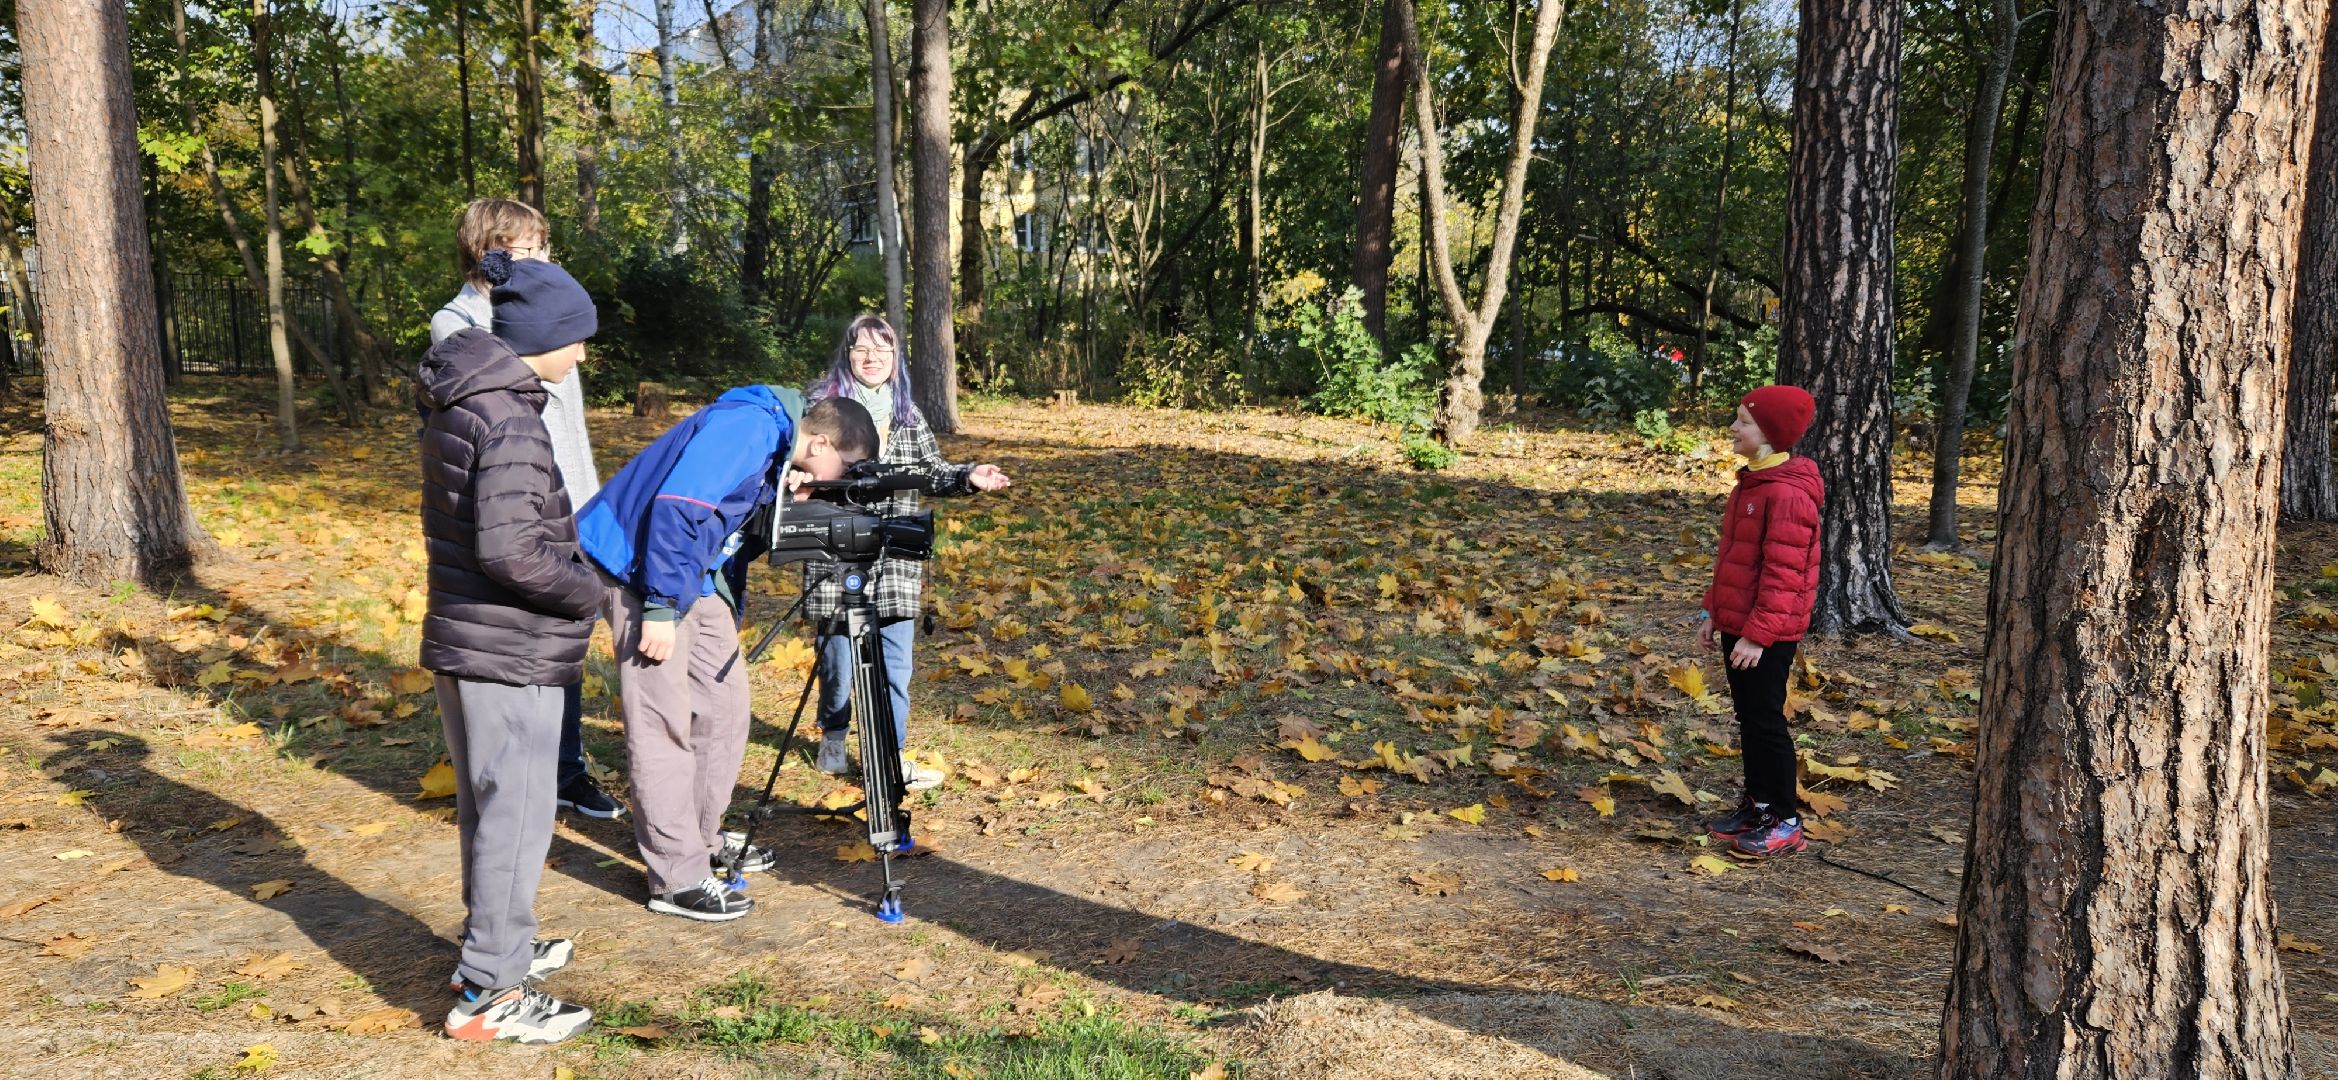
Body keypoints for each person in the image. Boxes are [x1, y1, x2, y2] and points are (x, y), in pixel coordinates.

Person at [577, 390, 878, 921]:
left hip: (691, 576)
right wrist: (662, 607)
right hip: (636, 570)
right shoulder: (749, 427)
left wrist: (785, 500)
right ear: (824, 441)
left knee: (724, 706)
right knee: (662, 720)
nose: (841, 479)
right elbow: (678, 508)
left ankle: (698, 838)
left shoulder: (777, 451)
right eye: (846, 467)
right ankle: (675, 875)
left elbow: (729, 530)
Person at [419, 256, 604, 1043]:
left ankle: (492, 953)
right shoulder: (512, 421)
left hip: (471, 638)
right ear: (544, 336)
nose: (584, 356)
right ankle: (491, 994)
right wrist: (590, 592)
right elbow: (512, 552)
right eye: (578, 340)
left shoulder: (468, 398)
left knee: (490, 812)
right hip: (509, 649)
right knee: (518, 818)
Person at [428, 198, 622, 821]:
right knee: (524, 635)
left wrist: (589, 500)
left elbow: (568, 423)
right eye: (527, 249)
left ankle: (567, 767)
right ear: (488, 251)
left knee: (564, 636)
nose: (542, 260)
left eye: (545, 248)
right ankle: (521, 777)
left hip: (567, 493)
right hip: (511, 502)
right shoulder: (460, 322)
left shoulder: (552, 312)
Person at [802, 315, 1011, 789]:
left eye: (883, 349)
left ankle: (889, 757)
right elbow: (799, 471)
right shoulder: (820, 409)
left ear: (896, 361)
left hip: (895, 553)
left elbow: (934, 471)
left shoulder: (907, 415)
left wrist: (968, 476)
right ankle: (834, 733)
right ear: (847, 355)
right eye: (862, 349)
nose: (872, 357)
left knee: (895, 661)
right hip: (836, 551)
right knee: (836, 658)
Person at [1698, 384, 1823, 859]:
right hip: (1742, 624)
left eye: (1744, 422)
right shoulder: (1750, 484)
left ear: (1770, 435)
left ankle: (1785, 819)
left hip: (1767, 632)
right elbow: (1734, 561)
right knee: (1749, 718)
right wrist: (1714, 609)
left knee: (1767, 721)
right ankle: (1759, 804)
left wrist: (1756, 635)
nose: (1734, 428)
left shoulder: (1787, 496)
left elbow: (1784, 576)